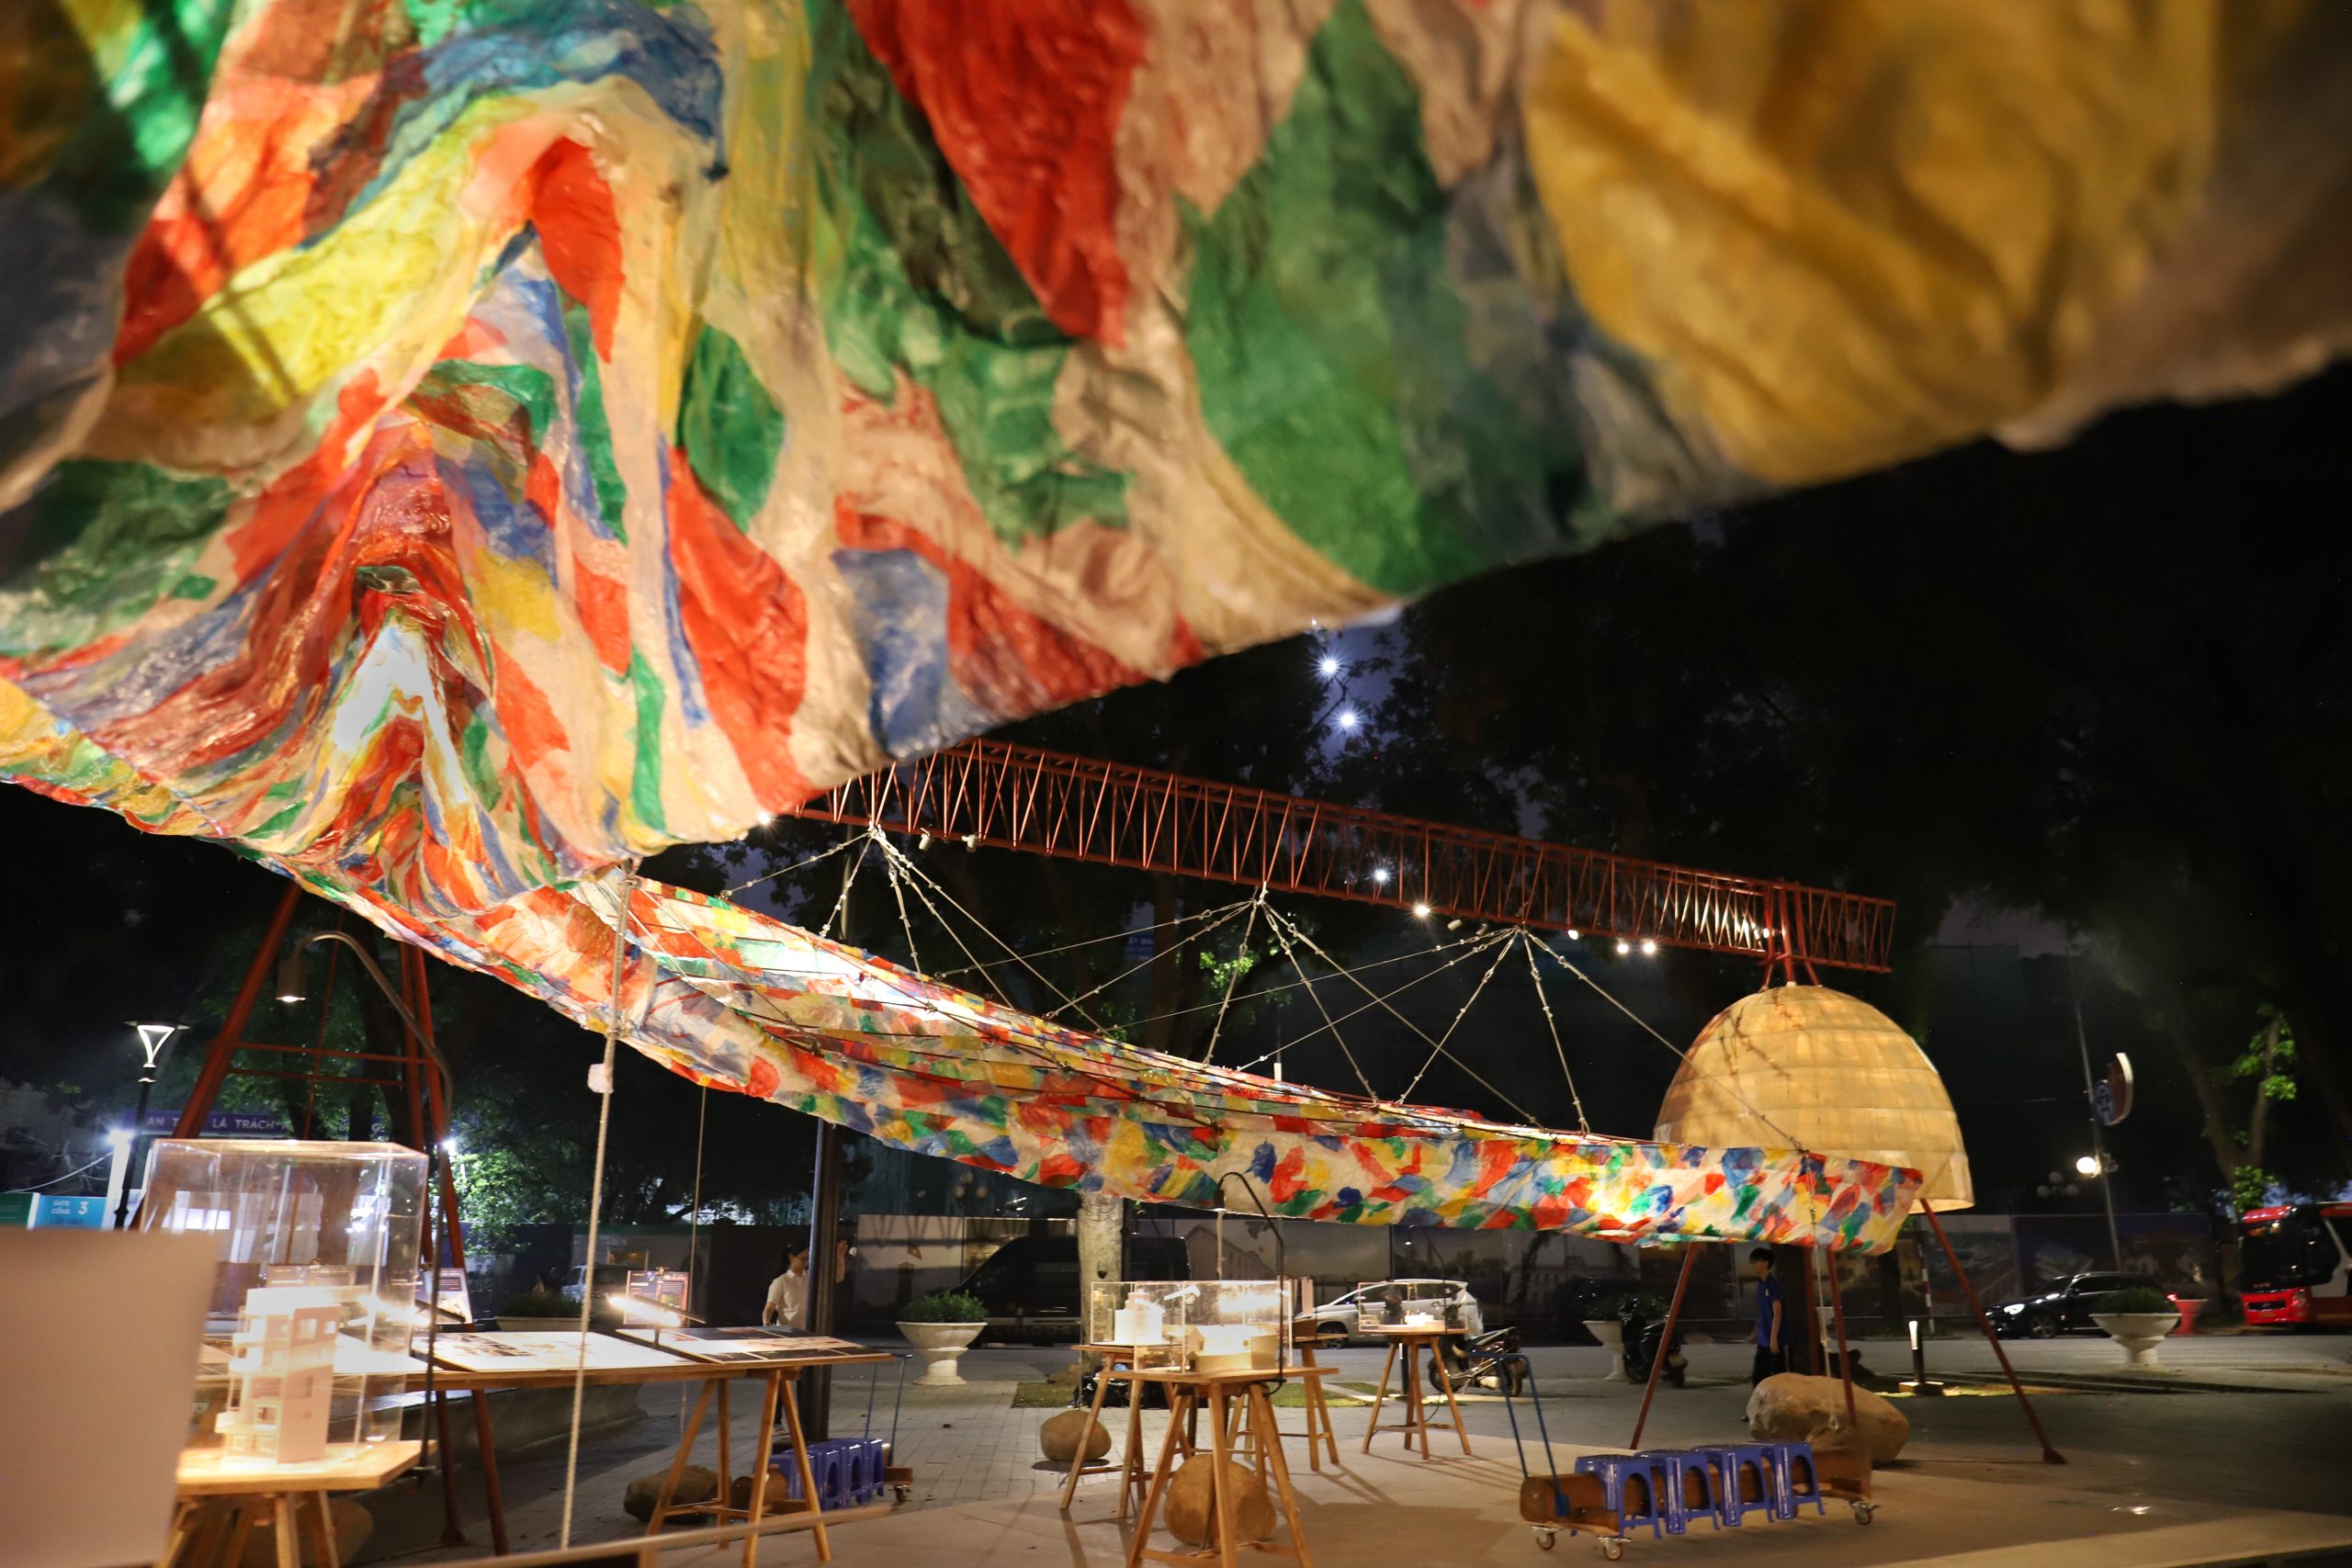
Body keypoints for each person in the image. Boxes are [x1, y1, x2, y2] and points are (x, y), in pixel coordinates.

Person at [1750, 1247, 1789, 1384]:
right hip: (1764, 1340)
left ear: (1765, 1263)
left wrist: (1773, 1339)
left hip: (1774, 1341)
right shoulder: (1761, 1286)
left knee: (1777, 1378)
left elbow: (1777, 1313)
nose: (1753, 1265)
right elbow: (1763, 1313)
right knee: (1759, 1377)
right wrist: (1755, 1334)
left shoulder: (1773, 1285)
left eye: (1756, 1261)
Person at [763, 1244, 810, 1329]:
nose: (806, 1263)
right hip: (787, 1331)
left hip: (807, 1332)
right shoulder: (781, 1281)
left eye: (807, 1259)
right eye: (803, 1259)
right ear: (791, 1257)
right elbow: (769, 1307)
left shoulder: (810, 1278)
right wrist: (766, 1322)